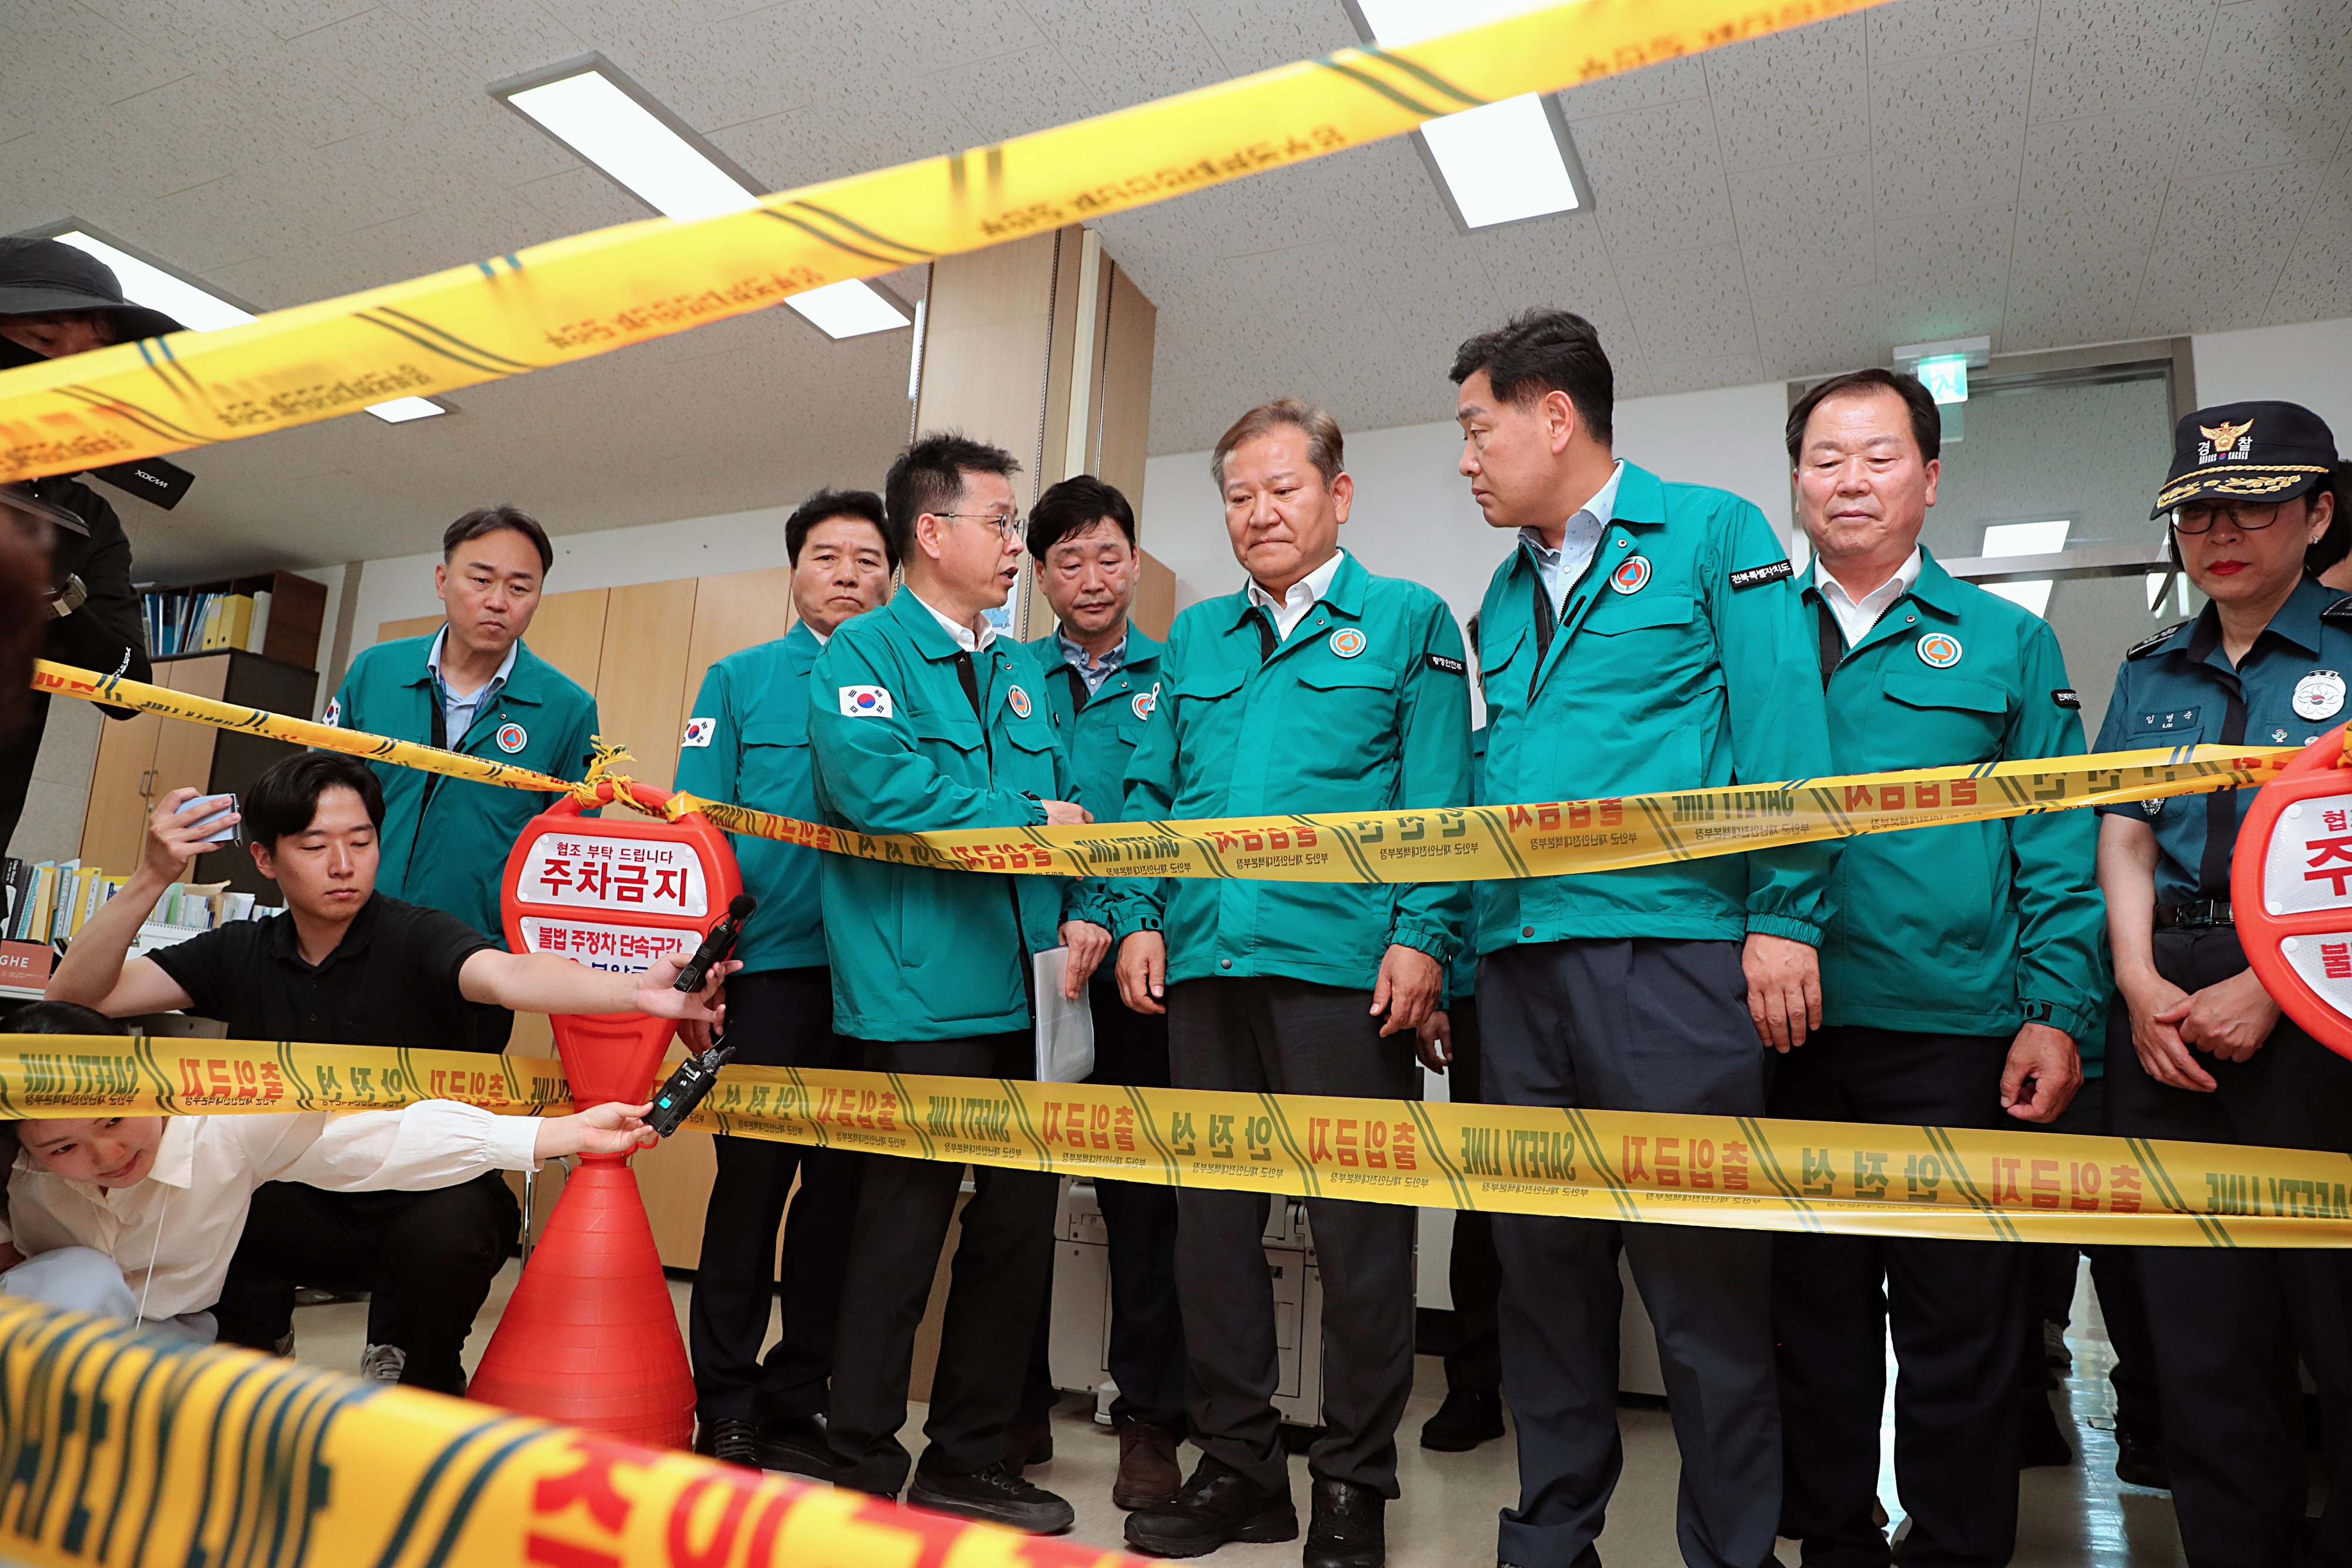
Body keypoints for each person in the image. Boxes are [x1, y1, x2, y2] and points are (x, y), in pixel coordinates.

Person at [1449, 309, 1834, 1568]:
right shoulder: (1499, 596)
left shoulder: (1711, 533)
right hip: (1520, 972)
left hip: (1668, 964)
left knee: (1702, 1294)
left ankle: (1729, 1552)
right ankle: (1548, 1541)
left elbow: (1781, 732)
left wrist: (1781, 914)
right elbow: (1486, 786)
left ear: (1552, 415)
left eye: (1475, 427)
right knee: (1541, 1286)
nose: (1465, 458)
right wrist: (1462, 961)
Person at [42, 750, 728, 1391]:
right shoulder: (239, 950)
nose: (343, 864)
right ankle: (251, 1356)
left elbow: (514, 975)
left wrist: (636, 991)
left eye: (361, 841)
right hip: (294, 1194)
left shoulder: (416, 935)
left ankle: (406, 1378)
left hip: (421, 1192)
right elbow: (76, 1001)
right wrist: (152, 877)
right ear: (265, 858)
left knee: (453, 1229)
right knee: (220, 1191)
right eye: (314, 846)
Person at [1114, 400, 1473, 1568]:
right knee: (1210, 1234)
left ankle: (1352, 1487)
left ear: (1337, 495)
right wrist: (1136, 916)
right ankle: (1240, 1468)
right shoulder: (1199, 640)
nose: (1258, 512)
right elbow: (1151, 798)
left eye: (1281, 488)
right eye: (1236, 495)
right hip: (1206, 968)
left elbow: (1436, 805)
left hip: (1340, 981)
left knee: (1358, 1241)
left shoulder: (1407, 620)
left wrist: (1423, 940)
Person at [1772, 367, 2106, 1567]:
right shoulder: (1747, 638)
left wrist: (2055, 1010)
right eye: (1822, 457)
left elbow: (2056, 842)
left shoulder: (2006, 644)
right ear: (1794, 480)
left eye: (1875, 455)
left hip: (1951, 1030)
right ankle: (1833, 1534)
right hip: (1781, 1029)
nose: (1847, 479)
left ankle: (1955, 1544)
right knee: (1807, 1316)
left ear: (1927, 475)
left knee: (1957, 1319)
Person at [769, 433, 1109, 1535]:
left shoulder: (1017, 670)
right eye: (1003, 522)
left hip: (1029, 989)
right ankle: (862, 1453)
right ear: (933, 531)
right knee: (899, 1235)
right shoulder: (860, 652)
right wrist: (1027, 826)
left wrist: (1077, 900)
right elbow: (880, 790)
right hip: (923, 994)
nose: (1019, 545)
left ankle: (969, 1453)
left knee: (1016, 1234)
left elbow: (1062, 802)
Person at [2094, 400, 2352, 1566]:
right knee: (2198, 1335)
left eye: (2252, 505)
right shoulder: (2149, 669)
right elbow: (2125, 836)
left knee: (2334, 1325)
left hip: (2321, 1003)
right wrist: (2137, 979)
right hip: (2167, 1005)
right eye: (2196, 510)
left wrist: (2275, 982)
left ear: (2314, 513)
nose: (2220, 530)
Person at [0, 1000, 657, 1340]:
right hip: (39, 1338)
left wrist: (553, 1133)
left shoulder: (228, 1126)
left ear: (144, 1072)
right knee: (76, 1278)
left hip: (170, 1349)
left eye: (114, 1121)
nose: (107, 1157)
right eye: (64, 1150)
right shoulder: (15, 1165)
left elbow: (380, 1140)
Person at [677, 487, 892, 1468]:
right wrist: (703, 970)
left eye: (866, 560)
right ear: (794, 571)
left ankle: (797, 1394)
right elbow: (698, 833)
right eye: (826, 557)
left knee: (838, 1204)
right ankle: (723, 1399)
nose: (848, 575)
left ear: (893, 576)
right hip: (770, 977)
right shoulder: (740, 679)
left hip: (881, 984)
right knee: (749, 1193)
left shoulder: (908, 685)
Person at [1008, 473, 1187, 1509]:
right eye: (1067, 560)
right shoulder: (1006, 677)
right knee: (1017, 1197)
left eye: (1108, 555)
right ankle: (1012, 1399)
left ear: (1134, 559)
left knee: (1143, 1205)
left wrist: (1114, 914)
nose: (1091, 577)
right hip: (1026, 965)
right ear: (1039, 575)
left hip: (1135, 970)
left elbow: (1171, 812)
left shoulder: (1180, 673)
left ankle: (1151, 1418)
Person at [328, 505, 598, 1048]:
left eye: (521, 588)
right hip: (345, 942)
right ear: (443, 580)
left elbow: (570, 851)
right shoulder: (374, 672)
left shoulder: (567, 708)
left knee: (446, 1127)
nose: (498, 601)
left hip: (475, 963)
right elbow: (318, 797)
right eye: (481, 580)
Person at [0, 238, 169, 851]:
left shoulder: (86, 519)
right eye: (41, 343)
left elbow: (130, 692)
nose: (65, 371)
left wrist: (55, 595)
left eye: (91, 357)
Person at [1412, 621, 1504, 1455]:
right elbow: (1443, 875)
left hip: (1591, 989)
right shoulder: (1464, 758)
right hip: (1480, 999)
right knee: (1483, 1202)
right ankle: (1476, 1383)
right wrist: (1437, 983)